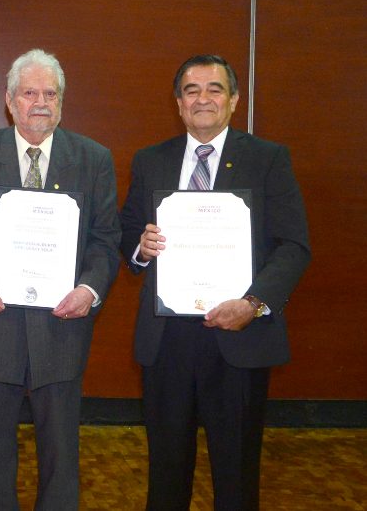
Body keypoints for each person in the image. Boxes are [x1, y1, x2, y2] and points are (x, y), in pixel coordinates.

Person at [119, 54, 311, 510]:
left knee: (237, 473)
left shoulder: (267, 159)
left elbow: (293, 245)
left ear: (234, 99)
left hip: (239, 336)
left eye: (214, 89)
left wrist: (254, 302)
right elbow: (127, 232)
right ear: (178, 103)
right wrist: (140, 250)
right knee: (165, 470)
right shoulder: (151, 160)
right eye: (191, 90)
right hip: (167, 341)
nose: (202, 98)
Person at [0, 49, 121, 510]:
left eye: (50, 94)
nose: (40, 102)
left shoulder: (93, 158)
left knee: (62, 451)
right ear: (9, 100)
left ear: (61, 101)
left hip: (64, 324)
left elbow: (104, 240)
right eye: (29, 93)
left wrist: (90, 289)